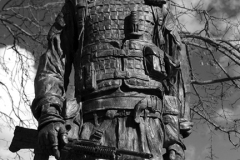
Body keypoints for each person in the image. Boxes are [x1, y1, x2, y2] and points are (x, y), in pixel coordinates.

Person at [31, 0, 193, 159]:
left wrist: (175, 136)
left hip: (148, 128)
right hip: (87, 127)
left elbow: (175, 70)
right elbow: (54, 60)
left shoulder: (157, 7)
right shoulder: (79, 4)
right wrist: (49, 114)